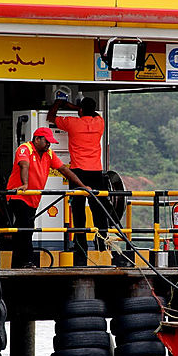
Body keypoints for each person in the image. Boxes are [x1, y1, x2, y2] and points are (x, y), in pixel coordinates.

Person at [6, 126, 90, 268]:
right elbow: (24, 164)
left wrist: (82, 185)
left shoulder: (49, 154)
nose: (49, 145)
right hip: (19, 195)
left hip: (33, 198)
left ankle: (17, 263)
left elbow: (64, 169)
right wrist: (25, 184)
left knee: (22, 229)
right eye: (46, 141)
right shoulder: (25, 148)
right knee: (26, 226)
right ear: (37, 139)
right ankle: (27, 261)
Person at [47, 92, 112, 264]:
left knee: (78, 210)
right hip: (96, 171)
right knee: (98, 209)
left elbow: (50, 117)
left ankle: (80, 247)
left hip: (78, 173)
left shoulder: (73, 123)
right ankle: (102, 243)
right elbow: (93, 113)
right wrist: (78, 107)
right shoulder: (99, 123)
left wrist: (60, 103)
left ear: (81, 110)